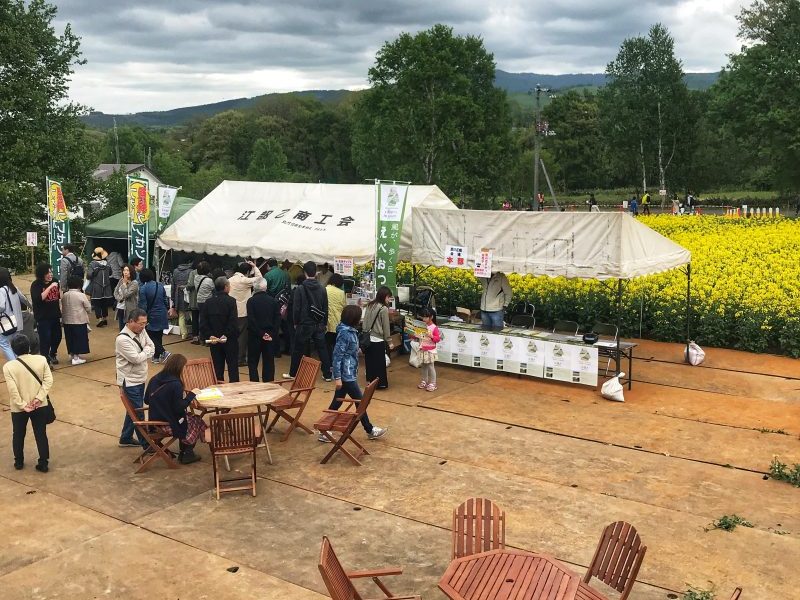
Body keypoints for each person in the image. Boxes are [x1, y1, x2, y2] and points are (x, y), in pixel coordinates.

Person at [320, 304, 386, 442]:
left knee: (337, 403)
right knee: (361, 402)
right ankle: (369, 429)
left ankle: (324, 430)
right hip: (346, 374)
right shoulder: (345, 333)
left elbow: (348, 351)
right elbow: (338, 356)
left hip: (349, 372)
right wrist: (337, 377)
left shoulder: (349, 331)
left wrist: (357, 351)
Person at [144, 353, 206, 464]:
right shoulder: (175, 384)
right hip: (167, 422)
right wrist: (191, 395)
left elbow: (147, 400)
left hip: (154, 421)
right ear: (179, 368)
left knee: (190, 419)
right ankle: (187, 453)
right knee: (196, 420)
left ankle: (185, 453)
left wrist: (163, 403)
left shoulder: (154, 379)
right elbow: (179, 408)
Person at [4, 334, 53, 472]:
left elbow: (12, 389)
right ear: (29, 347)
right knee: (40, 433)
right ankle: (43, 463)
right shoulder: (41, 359)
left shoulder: (9, 367)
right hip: (40, 404)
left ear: (13, 350)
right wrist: (39, 398)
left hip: (19, 408)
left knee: (18, 434)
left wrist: (22, 405)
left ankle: (18, 461)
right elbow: (48, 381)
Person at [116, 308, 156, 448]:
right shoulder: (122, 339)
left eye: (145, 323)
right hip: (130, 381)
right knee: (138, 413)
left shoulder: (142, 330)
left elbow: (152, 346)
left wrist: (146, 350)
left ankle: (125, 438)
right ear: (130, 321)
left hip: (140, 377)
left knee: (133, 410)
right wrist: (146, 351)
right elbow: (136, 358)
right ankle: (147, 445)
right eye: (140, 323)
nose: (143, 326)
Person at [286, 261, 331, 380]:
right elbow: (325, 307)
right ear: (315, 272)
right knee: (322, 349)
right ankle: (327, 374)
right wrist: (324, 322)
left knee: (298, 349)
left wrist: (295, 322)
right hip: (319, 323)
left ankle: (293, 374)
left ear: (304, 273)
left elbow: (296, 308)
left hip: (304, 323)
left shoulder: (300, 289)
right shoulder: (322, 289)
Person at [199, 276, 240, 382]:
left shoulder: (208, 302)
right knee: (232, 367)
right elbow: (233, 321)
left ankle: (218, 389)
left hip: (214, 340)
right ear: (226, 287)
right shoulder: (231, 301)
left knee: (217, 368)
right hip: (229, 339)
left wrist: (209, 334)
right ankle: (234, 389)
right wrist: (226, 334)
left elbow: (203, 322)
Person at [229, 260, 263, 366]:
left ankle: (232, 357)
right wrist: (255, 267)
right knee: (242, 337)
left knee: (232, 336)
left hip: (232, 312)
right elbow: (259, 279)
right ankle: (240, 359)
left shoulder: (229, 280)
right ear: (247, 272)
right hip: (243, 312)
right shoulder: (245, 281)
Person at [246, 279, 280, 382]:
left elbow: (251, 320)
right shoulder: (273, 301)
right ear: (265, 287)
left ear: (255, 288)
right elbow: (277, 320)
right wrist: (272, 334)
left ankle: (254, 382)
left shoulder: (251, 301)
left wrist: (261, 334)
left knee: (252, 362)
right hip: (269, 335)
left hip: (255, 335)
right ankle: (268, 383)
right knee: (269, 361)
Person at [362, 286, 394, 389]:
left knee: (369, 361)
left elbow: (364, 322)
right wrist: (389, 341)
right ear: (384, 296)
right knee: (379, 363)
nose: (389, 300)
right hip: (378, 339)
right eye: (389, 297)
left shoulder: (370, 305)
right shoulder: (383, 308)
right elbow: (386, 326)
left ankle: (370, 381)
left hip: (367, 338)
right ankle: (380, 384)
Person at [30, 263, 62, 365]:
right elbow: (39, 299)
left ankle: (52, 353)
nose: (50, 274)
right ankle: (45, 360)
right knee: (45, 339)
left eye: (51, 272)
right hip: (43, 317)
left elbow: (59, 296)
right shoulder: (36, 285)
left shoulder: (55, 281)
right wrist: (50, 287)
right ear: (42, 274)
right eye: (48, 272)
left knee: (57, 337)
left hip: (55, 315)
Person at [137, 269, 170, 364]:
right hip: (162, 313)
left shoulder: (143, 288)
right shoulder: (159, 285)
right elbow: (165, 299)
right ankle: (156, 357)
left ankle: (164, 352)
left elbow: (143, 305)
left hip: (152, 315)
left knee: (150, 336)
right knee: (158, 335)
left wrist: (142, 317)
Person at [61, 276, 92, 365]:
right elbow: (88, 308)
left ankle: (71, 354)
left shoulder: (65, 295)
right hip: (79, 320)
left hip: (67, 320)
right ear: (79, 285)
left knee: (70, 338)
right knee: (78, 339)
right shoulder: (81, 295)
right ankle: (76, 357)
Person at [0, 267, 29, 361]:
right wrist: (32, 308)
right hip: (18, 322)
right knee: (16, 344)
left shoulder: (1, 290)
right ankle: (19, 361)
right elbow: (24, 300)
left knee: (3, 343)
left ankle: (14, 362)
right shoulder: (14, 288)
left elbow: (1, 307)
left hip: (7, 322)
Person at [265, 257, 291, 356]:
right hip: (284, 303)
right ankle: (288, 349)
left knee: (274, 327)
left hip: (273, 303)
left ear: (268, 265)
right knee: (286, 326)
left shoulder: (268, 275)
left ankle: (276, 351)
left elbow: (265, 288)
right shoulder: (286, 274)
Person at [87, 247, 113, 327]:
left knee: (96, 303)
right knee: (104, 303)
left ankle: (100, 319)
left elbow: (89, 275)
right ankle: (105, 318)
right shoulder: (107, 264)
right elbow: (110, 273)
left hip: (97, 286)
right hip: (107, 287)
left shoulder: (93, 264)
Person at [417, 308, 442, 392]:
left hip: (430, 350)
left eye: (425, 317)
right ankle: (424, 381)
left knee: (431, 366)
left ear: (431, 317)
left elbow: (438, 339)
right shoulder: (421, 326)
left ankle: (433, 383)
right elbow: (417, 336)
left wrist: (431, 336)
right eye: (422, 317)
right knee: (423, 366)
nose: (423, 319)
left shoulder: (434, 327)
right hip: (422, 348)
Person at [325, 273, 346, 372]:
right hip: (338, 323)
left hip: (326, 323)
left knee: (327, 346)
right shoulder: (341, 293)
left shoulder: (325, 290)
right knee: (336, 346)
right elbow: (344, 307)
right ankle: (337, 366)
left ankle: (329, 367)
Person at [192, 261, 214, 345]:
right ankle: (207, 339)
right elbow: (213, 288)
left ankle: (202, 338)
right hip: (208, 302)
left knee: (202, 320)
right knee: (208, 321)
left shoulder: (196, 278)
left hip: (199, 301)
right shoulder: (209, 280)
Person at [170, 260, 194, 340]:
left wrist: (173, 297)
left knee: (181, 315)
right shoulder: (191, 271)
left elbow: (173, 285)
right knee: (192, 314)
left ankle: (184, 334)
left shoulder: (175, 271)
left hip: (178, 294)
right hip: (188, 294)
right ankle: (195, 333)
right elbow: (192, 284)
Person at [113, 264, 139, 331]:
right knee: (121, 329)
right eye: (124, 270)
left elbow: (126, 294)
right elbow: (115, 292)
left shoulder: (134, 283)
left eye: (127, 270)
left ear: (131, 271)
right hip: (120, 308)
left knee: (129, 329)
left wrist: (124, 284)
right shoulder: (121, 280)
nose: (125, 272)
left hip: (130, 309)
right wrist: (120, 299)